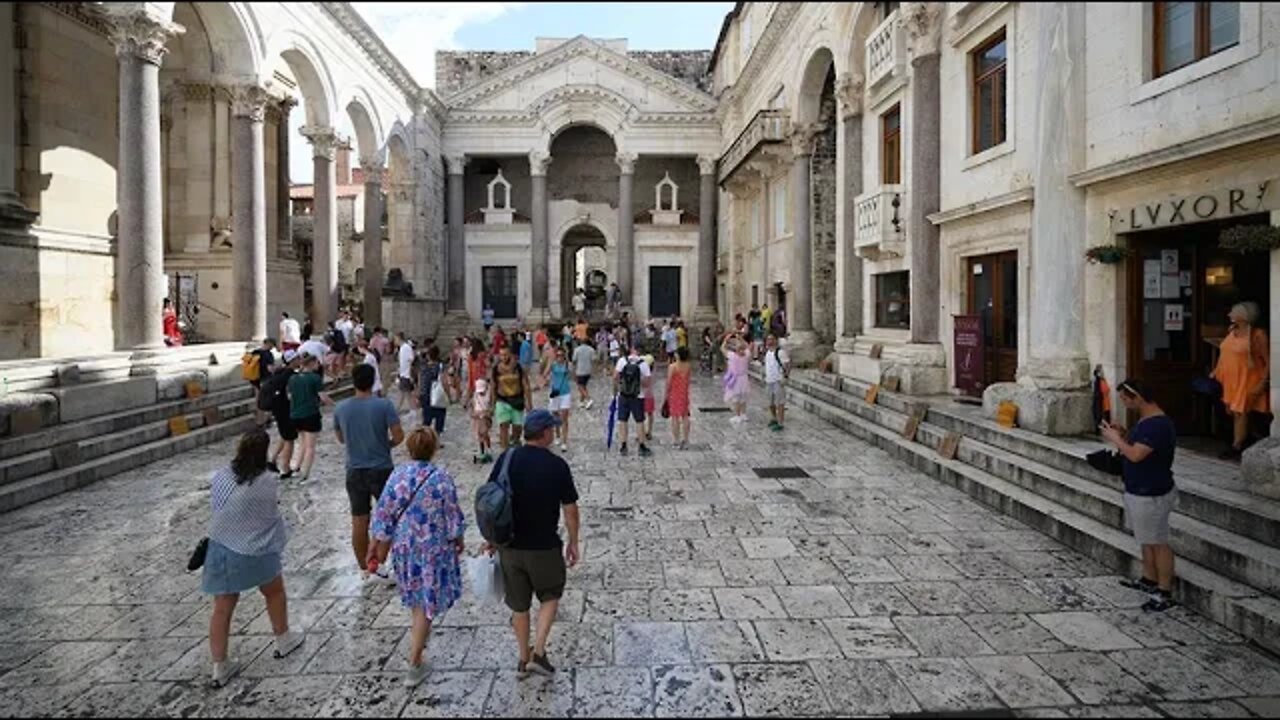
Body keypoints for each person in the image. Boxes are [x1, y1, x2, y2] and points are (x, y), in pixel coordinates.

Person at [201, 429, 305, 688]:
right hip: (256, 548)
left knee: (222, 607)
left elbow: (218, 507)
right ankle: (283, 638)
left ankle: (220, 665)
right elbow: (268, 515)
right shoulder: (267, 481)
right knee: (274, 591)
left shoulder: (222, 476)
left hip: (222, 546)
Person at [482, 410, 580, 677]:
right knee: (550, 595)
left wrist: (490, 539)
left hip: (510, 546)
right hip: (544, 546)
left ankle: (523, 660)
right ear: (546, 433)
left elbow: (491, 501)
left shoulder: (507, 458)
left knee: (519, 605)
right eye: (553, 429)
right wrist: (573, 541)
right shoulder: (556, 466)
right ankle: (538, 651)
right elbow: (570, 509)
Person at [367, 427, 465, 688]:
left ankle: (419, 642)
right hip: (434, 550)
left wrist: (375, 544)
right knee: (425, 605)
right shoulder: (441, 477)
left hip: (405, 549)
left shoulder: (397, 476)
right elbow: (453, 515)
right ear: (433, 449)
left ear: (408, 449)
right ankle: (415, 663)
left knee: (417, 602)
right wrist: (458, 538)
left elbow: (383, 514)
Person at [1101, 379, 1178, 613]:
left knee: (1158, 541)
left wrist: (1116, 441)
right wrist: (1123, 434)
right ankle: (1148, 578)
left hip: (1152, 491)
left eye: (1126, 398)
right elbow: (1139, 446)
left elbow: (1135, 455)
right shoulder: (1146, 422)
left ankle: (1164, 591)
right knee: (1146, 538)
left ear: (1138, 397)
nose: (1123, 403)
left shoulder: (1157, 425)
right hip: (1139, 488)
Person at [333, 363, 405, 583]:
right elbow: (399, 436)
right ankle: (379, 564)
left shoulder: (341, 408)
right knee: (388, 519)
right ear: (373, 380)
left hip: (354, 469)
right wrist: (386, 445)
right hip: (381, 468)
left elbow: (341, 438)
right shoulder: (384, 406)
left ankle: (364, 568)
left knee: (359, 520)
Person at [1212, 301, 1270, 460]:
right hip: (1230, 379)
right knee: (1231, 411)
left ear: (1243, 317)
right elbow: (1225, 353)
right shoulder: (1232, 331)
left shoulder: (1258, 335)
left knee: (1240, 411)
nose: (1229, 315)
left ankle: (1236, 445)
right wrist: (1216, 370)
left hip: (1248, 378)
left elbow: (1268, 360)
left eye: (1233, 312)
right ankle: (1241, 440)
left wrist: (1263, 382)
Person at [264, 351, 300, 479]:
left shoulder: (279, 374)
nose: (300, 360)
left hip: (278, 410)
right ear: (292, 361)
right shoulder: (292, 376)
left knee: (284, 435)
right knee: (290, 440)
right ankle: (285, 468)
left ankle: (272, 460)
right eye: (297, 358)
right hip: (287, 411)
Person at [614, 345, 653, 457]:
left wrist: (618, 388)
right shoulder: (643, 364)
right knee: (639, 421)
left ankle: (623, 445)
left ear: (631, 350)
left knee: (623, 420)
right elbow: (647, 383)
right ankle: (641, 446)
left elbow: (615, 377)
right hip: (638, 396)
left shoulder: (622, 361)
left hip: (623, 395)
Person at [491, 345, 532, 451]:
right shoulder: (496, 369)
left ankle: (515, 443)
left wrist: (529, 402)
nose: (503, 357)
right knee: (503, 426)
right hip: (502, 400)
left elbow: (525, 385)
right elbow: (493, 386)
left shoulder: (518, 368)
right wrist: (492, 404)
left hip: (517, 400)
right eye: (501, 355)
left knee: (517, 428)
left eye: (505, 355)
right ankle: (504, 450)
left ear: (510, 355)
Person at [543, 344, 574, 451]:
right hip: (555, 392)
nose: (559, 357)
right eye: (558, 355)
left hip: (565, 392)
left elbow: (572, 376)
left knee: (564, 417)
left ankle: (564, 441)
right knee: (555, 415)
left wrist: (569, 367)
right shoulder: (553, 364)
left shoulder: (567, 365)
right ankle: (557, 435)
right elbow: (545, 374)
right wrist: (549, 362)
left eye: (561, 355)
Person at [666, 346, 692, 449]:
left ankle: (676, 440)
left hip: (674, 394)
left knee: (675, 418)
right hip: (684, 393)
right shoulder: (688, 366)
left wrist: (666, 395)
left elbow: (668, 382)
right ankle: (686, 439)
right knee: (685, 416)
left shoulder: (673, 367)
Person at [764, 335, 791, 432]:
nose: (769, 341)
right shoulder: (767, 353)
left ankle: (780, 422)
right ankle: (774, 418)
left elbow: (787, 365)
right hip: (769, 380)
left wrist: (785, 376)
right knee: (770, 402)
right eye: (768, 339)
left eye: (771, 339)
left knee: (780, 403)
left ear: (776, 340)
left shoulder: (780, 352)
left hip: (778, 380)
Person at [722, 332, 751, 424]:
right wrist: (741, 339)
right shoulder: (746, 356)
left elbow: (722, 348)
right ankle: (743, 414)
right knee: (743, 397)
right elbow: (747, 346)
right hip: (744, 378)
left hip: (736, 379)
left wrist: (726, 339)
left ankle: (737, 415)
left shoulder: (732, 356)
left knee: (736, 398)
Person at [418, 345, 447, 434]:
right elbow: (443, 380)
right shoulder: (440, 366)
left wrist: (419, 392)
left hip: (425, 393)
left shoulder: (423, 366)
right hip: (436, 394)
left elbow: (420, 379)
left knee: (426, 418)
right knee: (440, 417)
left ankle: (424, 438)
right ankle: (436, 439)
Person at [248, 338, 277, 428]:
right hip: (265, 379)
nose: (272, 348)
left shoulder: (254, 352)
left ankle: (259, 422)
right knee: (267, 400)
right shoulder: (268, 354)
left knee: (258, 401)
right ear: (269, 344)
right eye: (272, 345)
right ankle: (266, 420)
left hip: (255, 379)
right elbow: (270, 369)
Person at [471, 377, 494, 463]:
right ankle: (482, 450)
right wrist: (474, 414)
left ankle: (488, 448)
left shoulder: (489, 394)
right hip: (478, 417)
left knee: (484, 433)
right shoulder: (475, 395)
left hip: (485, 417)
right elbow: (473, 406)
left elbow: (491, 407)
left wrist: (487, 413)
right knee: (480, 434)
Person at [572, 336, 596, 410]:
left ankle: (589, 399)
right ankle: (581, 401)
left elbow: (574, 360)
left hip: (580, 370)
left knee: (580, 387)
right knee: (584, 386)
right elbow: (594, 360)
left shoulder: (577, 350)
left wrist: (573, 370)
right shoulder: (591, 350)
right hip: (588, 370)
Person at [396, 332, 417, 413]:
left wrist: (410, 373)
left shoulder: (406, 348)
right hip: (403, 374)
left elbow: (411, 359)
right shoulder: (402, 348)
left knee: (406, 393)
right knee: (405, 393)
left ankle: (410, 410)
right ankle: (400, 409)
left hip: (406, 374)